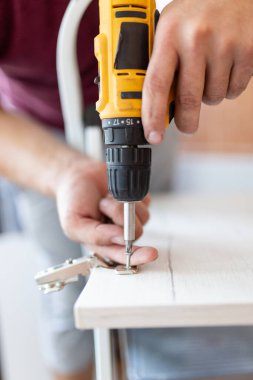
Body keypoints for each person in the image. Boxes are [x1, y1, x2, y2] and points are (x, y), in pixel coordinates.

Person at [1, 0, 253, 379]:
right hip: (33, 131)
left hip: (150, 107)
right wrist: (63, 172)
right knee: (70, 308)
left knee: (155, 258)